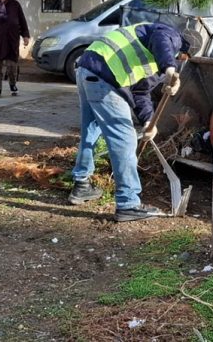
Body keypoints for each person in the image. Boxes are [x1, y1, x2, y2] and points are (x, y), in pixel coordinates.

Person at [67, 21, 193, 222]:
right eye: (182, 58)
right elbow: (161, 40)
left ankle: (81, 185)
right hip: (104, 75)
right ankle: (128, 204)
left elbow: (140, 92)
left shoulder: (152, 58)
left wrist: (148, 121)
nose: (181, 62)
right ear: (183, 50)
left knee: (91, 129)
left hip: (87, 69)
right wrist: (169, 69)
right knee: (124, 139)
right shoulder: (169, 34)